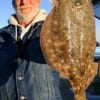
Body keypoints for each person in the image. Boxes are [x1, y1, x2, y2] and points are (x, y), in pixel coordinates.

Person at [0, 0, 62, 100]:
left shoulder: (56, 31)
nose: (24, 2)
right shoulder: (1, 35)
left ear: (39, 1)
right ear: (12, 2)